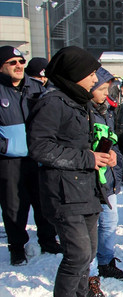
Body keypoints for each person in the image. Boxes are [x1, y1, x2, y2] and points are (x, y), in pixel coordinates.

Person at [28, 46, 116, 297]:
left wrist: (105, 153)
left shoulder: (78, 101)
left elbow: (85, 141)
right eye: (90, 74)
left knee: (88, 252)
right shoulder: (52, 102)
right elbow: (40, 147)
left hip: (87, 189)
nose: (95, 79)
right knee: (77, 254)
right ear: (75, 75)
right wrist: (88, 158)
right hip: (64, 193)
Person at [0, 46, 59, 266]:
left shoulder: (36, 88)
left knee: (43, 199)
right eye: (12, 62)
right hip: (9, 160)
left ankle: (48, 239)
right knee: (14, 205)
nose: (18, 66)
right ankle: (17, 246)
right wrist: (6, 146)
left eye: (21, 61)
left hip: (37, 155)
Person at [89, 67, 123, 284]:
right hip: (88, 180)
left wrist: (114, 155)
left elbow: (111, 140)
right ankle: (88, 275)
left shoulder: (106, 110)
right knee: (88, 229)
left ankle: (105, 262)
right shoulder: (82, 111)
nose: (107, 93)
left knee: (109, 222)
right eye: (103, 89)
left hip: (108, 178)